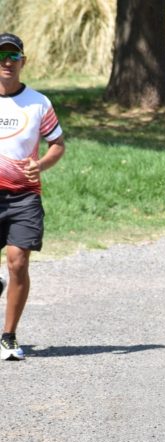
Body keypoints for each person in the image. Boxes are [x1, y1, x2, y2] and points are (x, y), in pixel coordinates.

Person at [0, 33, 65, 361]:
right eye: (2, 56)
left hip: (24, 197)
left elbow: (58, 144)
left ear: (23, 61)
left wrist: (39, 164)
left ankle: (8, 336)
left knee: (18, 262)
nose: (7, 62)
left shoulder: (39, 103)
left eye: (13, 56)